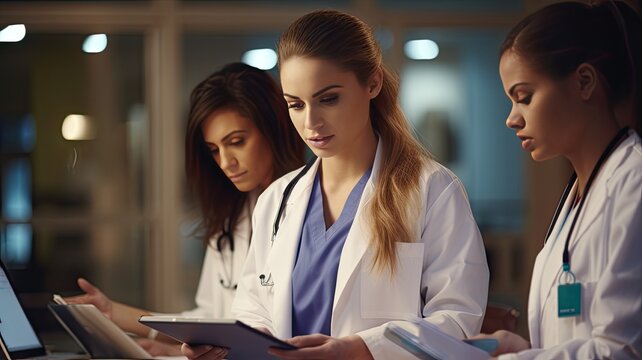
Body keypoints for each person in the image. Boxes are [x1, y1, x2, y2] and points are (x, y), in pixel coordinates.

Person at [181, 10, 489, 360]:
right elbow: (254, 311)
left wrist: (361, 349)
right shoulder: (278, 200)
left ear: (372, 83)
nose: (311, 122)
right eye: (295, 105)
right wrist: (229, 346)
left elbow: (458, 322)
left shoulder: (432, 190)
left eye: (328, 99)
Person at [64, 62, 305, 355]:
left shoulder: (307, 208)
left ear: (274, 129)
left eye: (237, 142)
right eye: (214, 150)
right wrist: (115, 313)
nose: (226, 162)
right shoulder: (233, 218)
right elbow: (213, 319)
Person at [472, 1, 642, 359]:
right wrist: (517, 347)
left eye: (524, 98)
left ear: (584, 82)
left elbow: (624, 349)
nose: (511, 119)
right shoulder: (577, 196)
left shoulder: (634, 183)